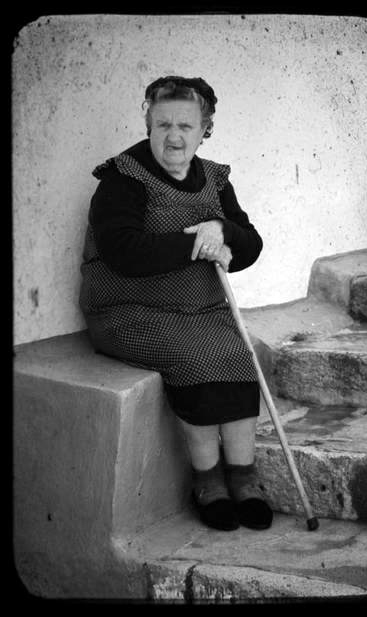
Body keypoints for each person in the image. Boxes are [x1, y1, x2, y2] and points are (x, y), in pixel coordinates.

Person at [79, 75, 273, 531]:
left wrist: (223, 232)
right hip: (128, 309)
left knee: (238, 354)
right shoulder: (123, 179)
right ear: (148, 122)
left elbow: (251, 243)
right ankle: (208, 481)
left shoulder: (215, 180)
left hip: (198, 309)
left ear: (204, 128)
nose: (174, 136)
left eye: (186, 125)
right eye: (163, 123)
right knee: (197, 357)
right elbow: (122, 250)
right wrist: (195, 242)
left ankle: (243, 478)